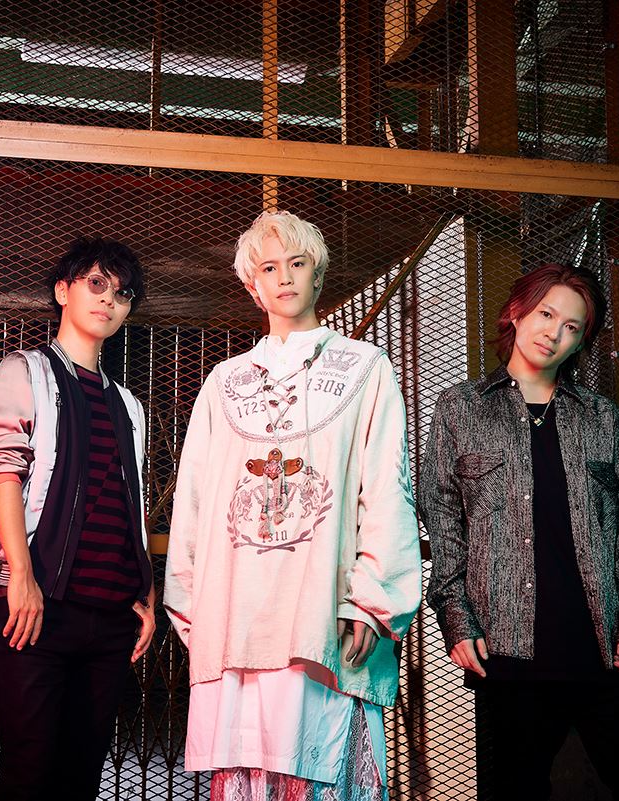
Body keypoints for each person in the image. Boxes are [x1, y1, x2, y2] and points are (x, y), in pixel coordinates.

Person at [165, 210, 422, 801]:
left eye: (297, 263)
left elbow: (387, 487)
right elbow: (195, 498)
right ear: (252, 286)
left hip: (321, 616)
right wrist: (194, 608)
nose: (284, 277)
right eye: (268, 268)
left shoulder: (365, 369)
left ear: (318, 274)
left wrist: (371, 603)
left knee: (323, 774)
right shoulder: (224, 381)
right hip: (235, 619)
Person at [418, 262, 619, 799]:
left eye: (572, 326)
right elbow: (443, 523)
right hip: (508, 651)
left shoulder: (601, 417)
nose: (554, 333)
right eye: (546, 314)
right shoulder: (461, 409)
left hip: (602, 645)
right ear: (516, 312)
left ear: (581, 341)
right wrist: (457, 620)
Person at [0, 236, 156, 801]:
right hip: (39, 606)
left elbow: (130, 504)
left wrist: (144, 594)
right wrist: (20, 577)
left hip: (112, 616)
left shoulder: (128, 404)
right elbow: (0, 470)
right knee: (27, 776)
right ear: (62, 291)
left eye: (121, 294)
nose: (108, 300)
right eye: (95, 284)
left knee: (80, 780)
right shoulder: (25, 370)